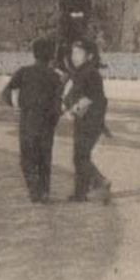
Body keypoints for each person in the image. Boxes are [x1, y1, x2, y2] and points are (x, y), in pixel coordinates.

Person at [2, 38, 64, 203]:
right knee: (45, 158)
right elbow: (58, 104)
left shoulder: (24, 72)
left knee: (27, 158)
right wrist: (54, 120)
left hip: (28, 121)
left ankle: (34, 189)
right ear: (51, 55)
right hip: (47, 124)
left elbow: (7, 92)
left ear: (34, 54)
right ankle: (44, 191)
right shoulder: (55, 76)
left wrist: (15, 104)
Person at [61, 39, 112, 203]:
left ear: (89, 56)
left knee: (80, 156)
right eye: (73, 52)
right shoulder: (84, 72)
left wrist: (73, 112)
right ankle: (81, 192)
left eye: (78, 53)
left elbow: (89, 98)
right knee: (80, 156)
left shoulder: (88, 73)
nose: (74, 56)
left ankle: (99, 181)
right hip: (88, 120)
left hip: (88, 120)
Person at [56, 0, 94, 68]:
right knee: (64, 42)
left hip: (81, 21)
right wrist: (70, 15)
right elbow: (62, 7)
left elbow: (88, 6)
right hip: (68, 22)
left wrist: (82, 15)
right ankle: (59, 60)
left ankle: (95, 60)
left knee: (88, 41)